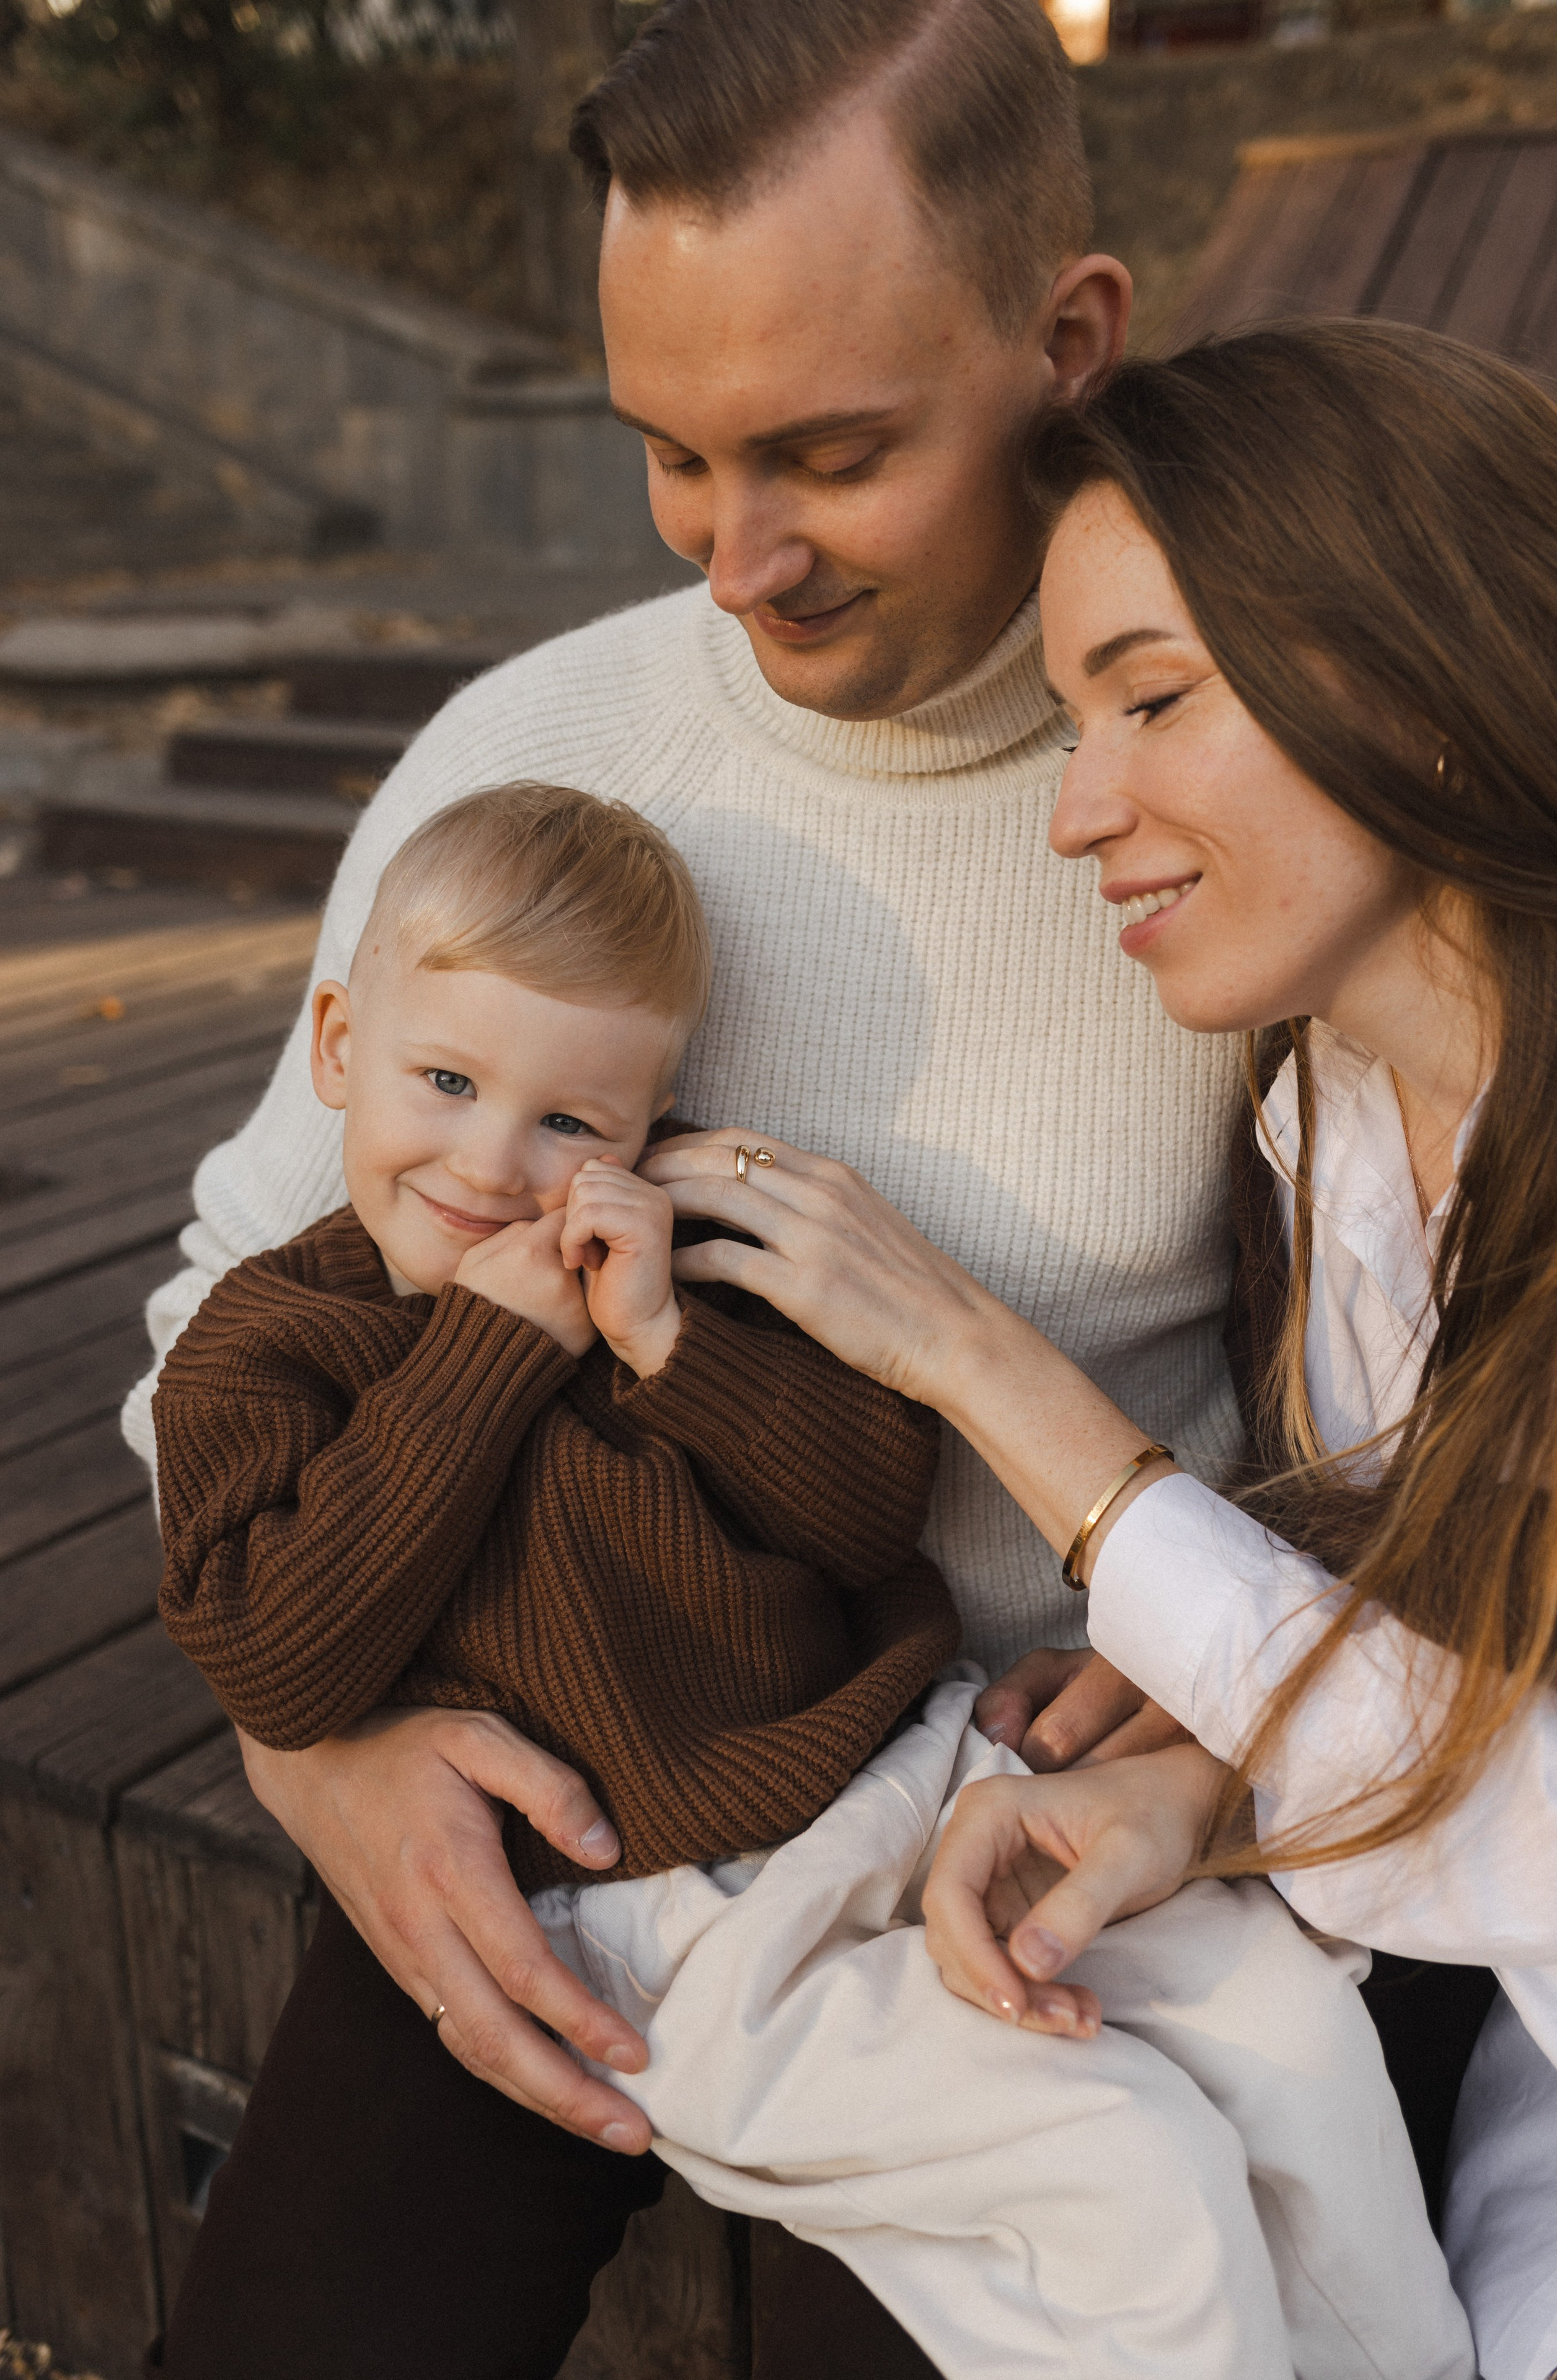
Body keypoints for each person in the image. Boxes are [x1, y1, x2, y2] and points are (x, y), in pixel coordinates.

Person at [123, 2, 1225, 2368]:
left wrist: (1233, 1708)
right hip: (550, 1784)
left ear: (1069, 341)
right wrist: (319, 1753)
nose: (741, 561)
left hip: (1028, 1845)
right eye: (672, 455)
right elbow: (223, 1294)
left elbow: (1450, 1372)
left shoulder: (1215, 787)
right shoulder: (526, 751)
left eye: (832, 453)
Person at [149, 783, 1473, 2379]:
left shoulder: (662, 1289)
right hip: (652, 1896)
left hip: (902, 1765)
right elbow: (276, 1658)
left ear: (650, 1125)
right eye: (446, 1082)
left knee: (1288, 2035)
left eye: (570, 1124)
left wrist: (667, 1346)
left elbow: (858, 1520)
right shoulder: (272, 1348)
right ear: (337, 1046)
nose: (494, 1164)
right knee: (1124, 2174)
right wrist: (485, 1356)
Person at [640, 320, 1557, 2380]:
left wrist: (994, 1376)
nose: (1078, 813)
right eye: (1077, 720)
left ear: (1425, 681)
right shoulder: (1337, 1115)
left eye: (1154, 699)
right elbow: (1482, 1643)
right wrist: (1196, 1786)